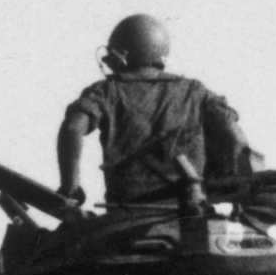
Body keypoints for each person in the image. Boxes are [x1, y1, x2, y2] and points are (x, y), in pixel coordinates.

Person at [55, 15, 256, 212]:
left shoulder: (105, 91)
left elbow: (73, 127)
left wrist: (70, 188)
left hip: (126, 218)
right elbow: (236, 140)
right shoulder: (195, 92)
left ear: (122, 54)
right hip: (191, 216)